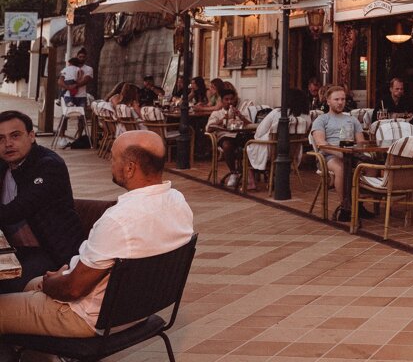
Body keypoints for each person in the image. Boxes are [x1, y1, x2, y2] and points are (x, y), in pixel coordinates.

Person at [0, 130, 193, 354]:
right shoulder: (177, 201)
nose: (110, 163)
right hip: (136, 310)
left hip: (88, 318)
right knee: (31, 283)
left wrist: (53, 282)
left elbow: (72, 290)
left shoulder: (118, 220)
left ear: (130, 168)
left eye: (113, 158)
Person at [0, 111, 86, 294]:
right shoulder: (4, 164)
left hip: (51, 253)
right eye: (0, 139)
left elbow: (17, 210)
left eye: (15, 136)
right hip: (12, 249)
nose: (8, 144)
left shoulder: (48, 165)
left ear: (31, 136)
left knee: (5, 286)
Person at [311, 86, 366, 222]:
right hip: (328, 156)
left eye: (343, 99)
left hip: (351, 153)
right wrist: (339, 153)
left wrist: (354, 151)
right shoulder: (322, 120)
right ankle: (346, 207)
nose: (340, 102)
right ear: (328, 101)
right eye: (336, 99)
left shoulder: (352, 120)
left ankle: (359, 204)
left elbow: (361, 142)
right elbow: (321, 143)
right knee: (341, 168)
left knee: (371, 167)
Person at [245, 88, 311, 192]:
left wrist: (260, 138)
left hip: (271, 150)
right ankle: (271, 177)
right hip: (293, 152)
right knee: (260, 148)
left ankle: (251, 182)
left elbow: (260, 131)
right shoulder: (306, 117)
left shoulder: (278, 113)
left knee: (248, 148)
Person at [205, 85, 251, 186]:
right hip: (224, 137)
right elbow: (209, 128)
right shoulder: (216, 113)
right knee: (227, 145)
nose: (229, 102)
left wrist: (241, 117)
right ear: (221, 101)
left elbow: (249, 125)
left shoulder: (239, 112)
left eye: (231, 99)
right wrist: (223, 120)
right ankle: (233, 172)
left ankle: (250, 174)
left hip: (239, 135)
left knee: (252, 142)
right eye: (226, 99)